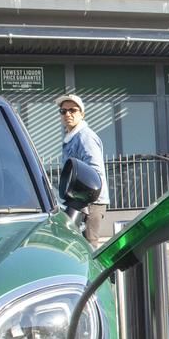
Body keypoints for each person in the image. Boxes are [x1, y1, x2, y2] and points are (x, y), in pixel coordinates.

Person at [56, 94, 108, 246]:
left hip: (90, 202)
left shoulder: (85, 137)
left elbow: (94, 174)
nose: (67, 114)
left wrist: (83, 201)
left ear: (82, 114)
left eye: (72, 110)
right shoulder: (71, 137)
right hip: (78, 200)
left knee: (88, 248)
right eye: (63, 111)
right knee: (74, 246)